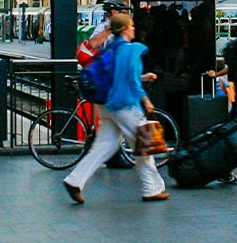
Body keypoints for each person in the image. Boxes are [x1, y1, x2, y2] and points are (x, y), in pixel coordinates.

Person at [63, 12, 169, 203]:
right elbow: (130, 81)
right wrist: (145, 99)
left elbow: (118, 76)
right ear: (125, 29)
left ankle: (75, 180)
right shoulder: (131, 51)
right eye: (132, 25)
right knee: (142, 145)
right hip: (125, 105)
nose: (134, 28)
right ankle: (152, 188)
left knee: (104, 146)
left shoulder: (110, 49)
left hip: (106, 106)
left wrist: (142, 78)